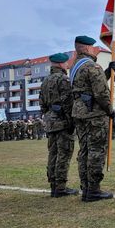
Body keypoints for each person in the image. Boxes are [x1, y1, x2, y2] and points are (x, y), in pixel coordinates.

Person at [71, 35, 115, 202]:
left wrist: (108, 72)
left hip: (80, 113)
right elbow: (100, 92)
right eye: (94, 47)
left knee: (84, 151)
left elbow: (88, 86)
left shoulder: (75, 67)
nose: (96, 49)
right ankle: (94, 190)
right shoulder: (92, 66)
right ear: (88, 48)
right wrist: (110, 110)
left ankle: (86, 188)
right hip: (95, 115)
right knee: (96, 151)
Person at [39, 52, 78, 197]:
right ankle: (61, 187)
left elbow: (42, 104)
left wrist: (48, 116)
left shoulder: (45, 81)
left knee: (53, 153)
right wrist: (71, 121)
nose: (68, 65)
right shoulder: (63, 80)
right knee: (64, 154)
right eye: (66, 63)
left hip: (50, 121)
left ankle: (53, 186)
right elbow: (68, 103)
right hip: (62, 122)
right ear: (61, 64)